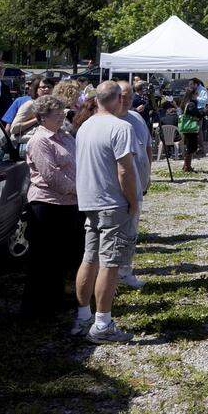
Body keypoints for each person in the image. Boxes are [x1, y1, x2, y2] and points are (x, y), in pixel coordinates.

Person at [72, 81, 139, 343]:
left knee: (89, 258)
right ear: (118, 100)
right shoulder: (121, 127)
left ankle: (83, 316)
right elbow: (125, 171)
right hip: (112, 202)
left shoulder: (85, 126)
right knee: (110, 263)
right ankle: (102, 323)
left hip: (89, 200)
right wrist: (133, 201)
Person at [20, 94, 84, 318]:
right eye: (56, 115)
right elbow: (52, 176)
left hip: (70, 203)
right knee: (44, 258)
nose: (61, 118)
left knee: (66, 255)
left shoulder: (65, 136)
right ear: (41, 118)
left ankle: (58, 299)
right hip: (47, 205)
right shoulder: (40, 141)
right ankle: (37, 307)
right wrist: (81, 189)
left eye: (62, 114)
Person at [115, 80, 152, 290]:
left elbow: (147, 146)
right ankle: (115, 273)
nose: (127, 100)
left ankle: (125, 270)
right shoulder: (110, 121)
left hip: (138, 183)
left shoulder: (137, 117)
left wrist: (148, 174)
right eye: (122, 96)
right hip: (118, 188)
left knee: (132, 230)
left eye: (129, 96)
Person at [10, 77, 57, 143]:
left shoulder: (54, 106)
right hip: (28, 145)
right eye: (43, 87)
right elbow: (14, 129)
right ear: (36, 90)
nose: (46, 89)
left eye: (49, 87)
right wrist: (37, 119)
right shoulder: (30, 104)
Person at [180, 80, 205, 171]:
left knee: (189, 146)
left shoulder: (185, 102)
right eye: (197, 94)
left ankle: (186, 165)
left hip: (187, 127)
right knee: (192, 146)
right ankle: (187, 166)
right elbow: (197, 114)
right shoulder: (191, 104)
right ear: (193, 95)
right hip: (190, 127)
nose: (197, 96)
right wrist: (206, 110)